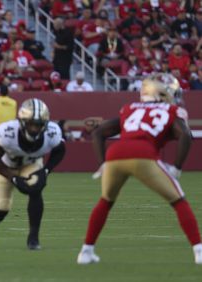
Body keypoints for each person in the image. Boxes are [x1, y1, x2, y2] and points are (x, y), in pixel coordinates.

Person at [77, 73, 202, 265]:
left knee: (105, 201)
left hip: (115, 154)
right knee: (178, 200)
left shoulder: (129, 108)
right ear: (162, 92)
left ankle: (86, 252)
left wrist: (103, 163)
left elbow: (99, 132)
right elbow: (185, 135)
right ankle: (199, 251)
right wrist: (177, 167)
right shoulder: (172, 110)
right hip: (143, 154)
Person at [0, 98, 66, 250]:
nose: (34, 129)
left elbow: (60, 150)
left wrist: (46, 171)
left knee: (36, 189)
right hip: (6, 167)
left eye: (38, 124)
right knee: (2, 207)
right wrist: (12, 177)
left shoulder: (52, 132)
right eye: (30, 124)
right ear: (21, 121)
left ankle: (33, 237)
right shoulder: (8, 132)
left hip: (31, 164)